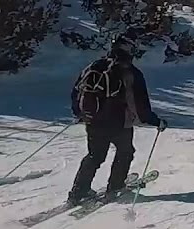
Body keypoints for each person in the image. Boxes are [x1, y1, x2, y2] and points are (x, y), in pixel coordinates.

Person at [67, 38, 167, 205]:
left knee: (94, 156)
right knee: (125, 152)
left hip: (93, 122)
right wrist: (155, 121)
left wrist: (79, 113)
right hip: (119, 122)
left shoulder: (93, 66)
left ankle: (78, 192)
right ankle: (115, 187)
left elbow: (77, 92)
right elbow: (139, 104)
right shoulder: (130, 72)